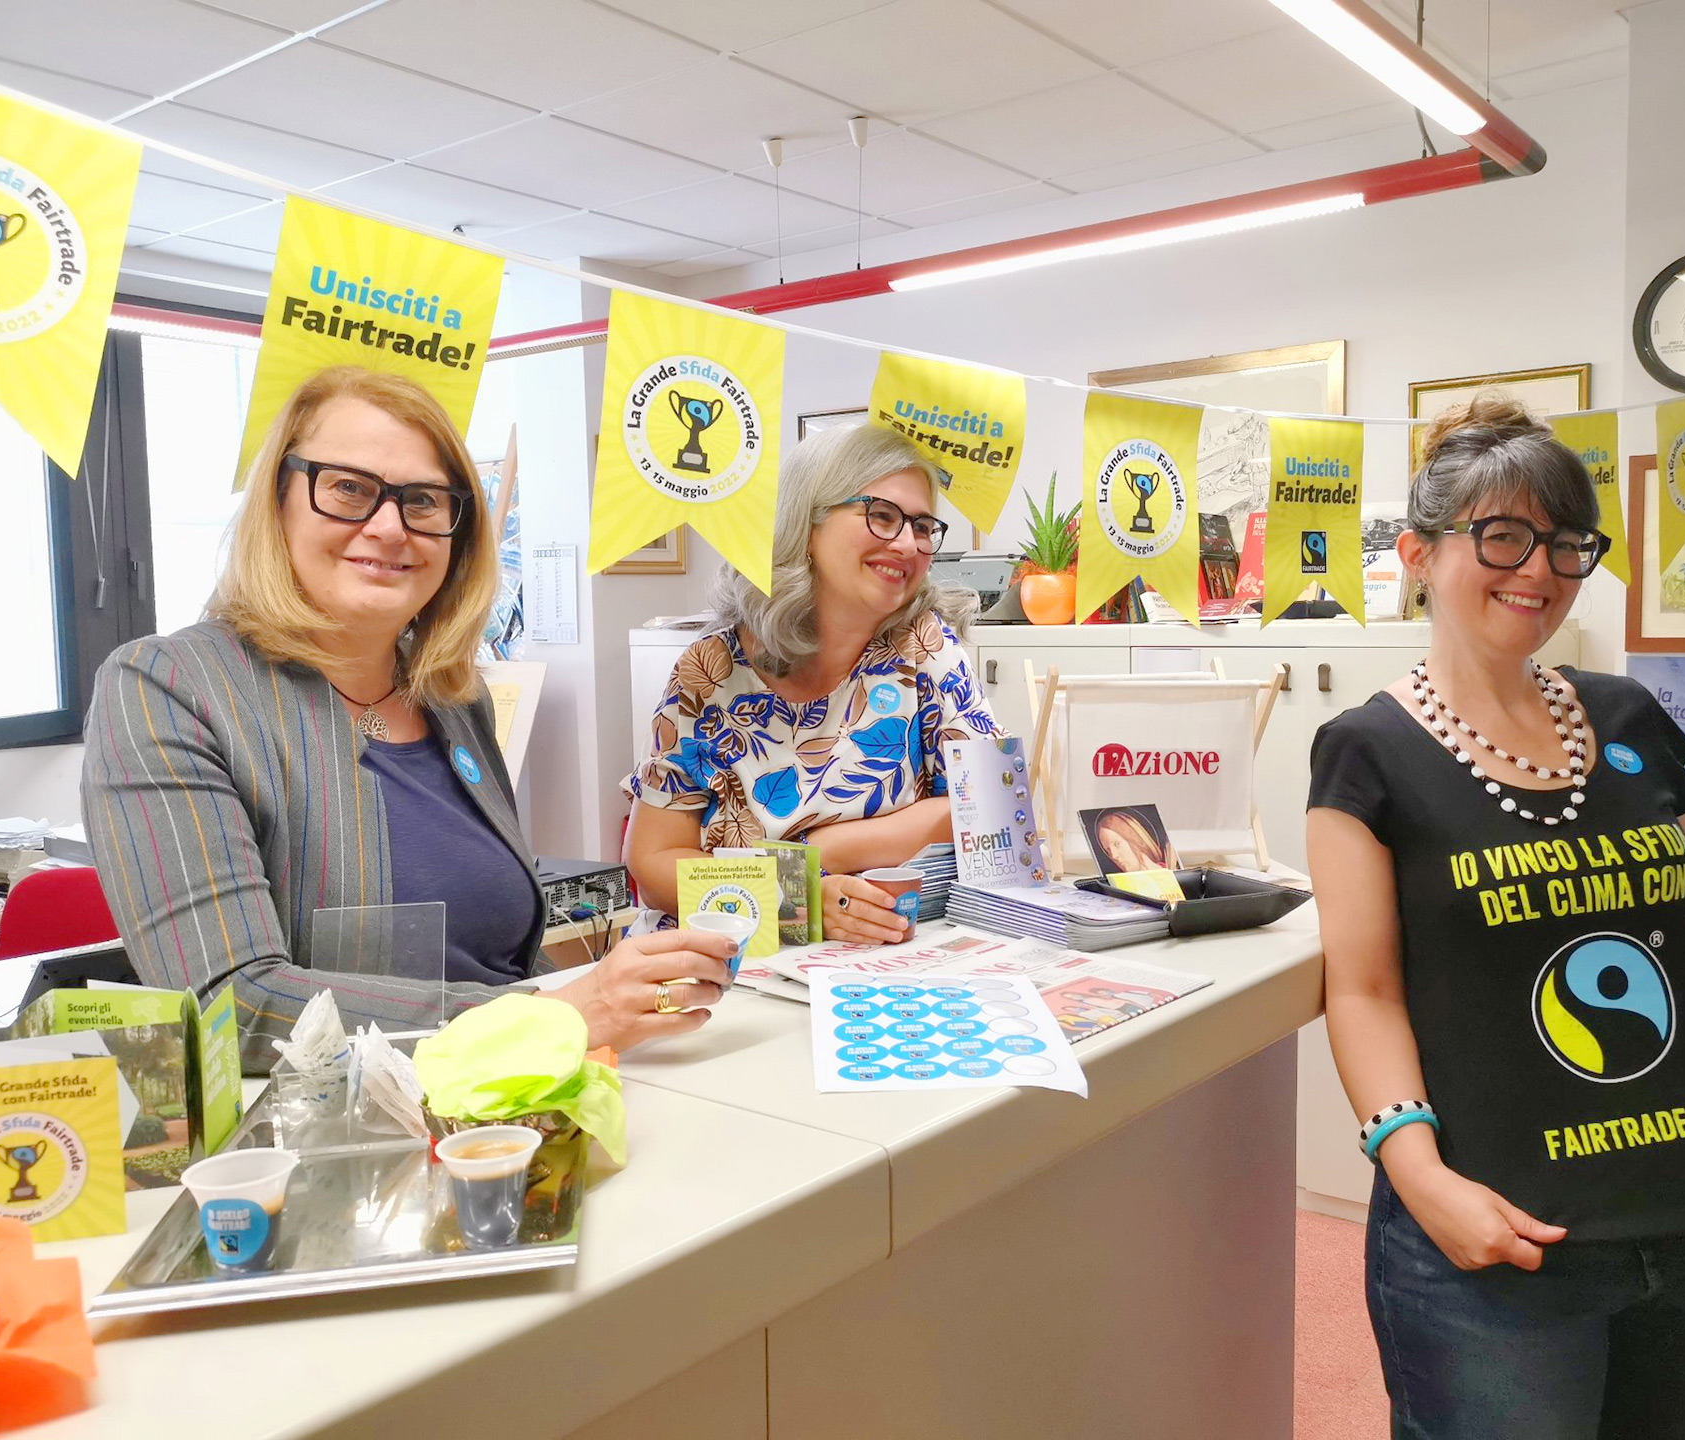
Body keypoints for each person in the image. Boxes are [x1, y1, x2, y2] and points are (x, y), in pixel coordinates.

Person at [1306, 395, 1685, 1438]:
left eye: (1566, 543)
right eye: (1502, 535)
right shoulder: (1365, 751)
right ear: (1419, 554)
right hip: (1503, 1233)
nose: (1540, 569)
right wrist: (1419, 1177)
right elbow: (1364, 991)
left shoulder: (1627, 713)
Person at [83, 366, 732, 1071]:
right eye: (348, 488)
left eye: (422, 500)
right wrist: (554, 1017)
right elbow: (230, 1003)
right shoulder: (166, 688)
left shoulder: (453, 697)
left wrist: (608, 1001)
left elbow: (495, 961)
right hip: (325, 1128)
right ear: (278, 501)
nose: (390, 527)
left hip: (507, 1104)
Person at [626, 423, 999, 943]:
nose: (908, 544)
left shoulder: (923, 649)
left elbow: (994, 804)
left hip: (875, 960)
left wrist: (823, 849)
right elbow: (653, 863)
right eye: (882, 515)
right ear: (805, 523)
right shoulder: (711, 673)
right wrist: (798, 899)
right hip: (729, 954)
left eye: (921, 526)